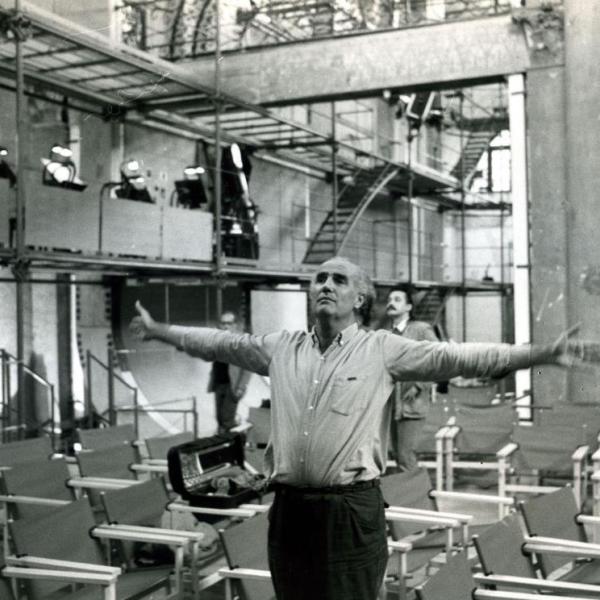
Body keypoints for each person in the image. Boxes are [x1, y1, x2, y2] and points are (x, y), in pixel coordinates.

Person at [130, 256, 598, 600]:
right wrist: (161, 331)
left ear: (360, 298)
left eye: (339, 279)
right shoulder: (280, 348)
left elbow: (457, 356)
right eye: (319, 279)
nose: (325, 285)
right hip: (289, 511)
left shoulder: (382, 349)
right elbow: (218, 342)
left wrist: (541, 353)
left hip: (350, 512)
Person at [385, 285, 438, 472]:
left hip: (411, 406)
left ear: (408, 307)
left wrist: (419, 386)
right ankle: (410, 497)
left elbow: (439, 359)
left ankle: (419, 499)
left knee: (406, 457)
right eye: (389, 300)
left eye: (397, 300)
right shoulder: (386, 335)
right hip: (392, 407)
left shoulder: (421, 330)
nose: (391, 303)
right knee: (399, 456)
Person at [209, 311, 251, 433]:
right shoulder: (217, 339)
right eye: (223, 323)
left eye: (229, 323)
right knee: (219, 418)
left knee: (227, 420)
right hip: (218, 383)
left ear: (235, 325)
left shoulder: (242, 341)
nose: (226, 326)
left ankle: (230, 444)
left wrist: (241, 387)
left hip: (232, 386)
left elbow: (248, 367)